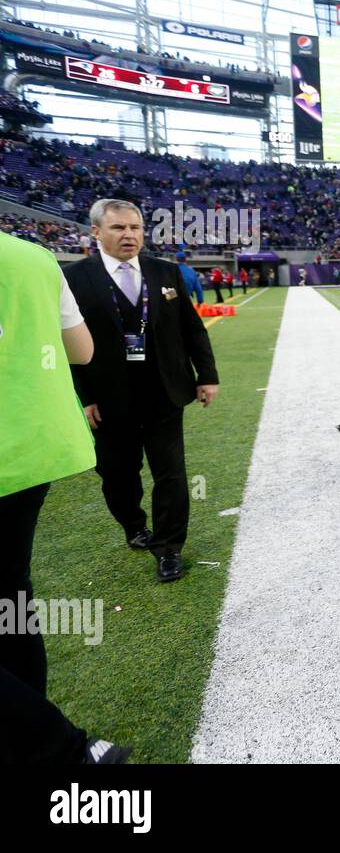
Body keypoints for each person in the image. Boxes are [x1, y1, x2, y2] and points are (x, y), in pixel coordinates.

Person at [0, 230, 130, 763]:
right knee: (10, 598)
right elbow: (82, 349)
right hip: (35, 447)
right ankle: (28, 727)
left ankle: (60, 749)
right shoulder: (32, 256)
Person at [63, 199, 220, 583]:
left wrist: (207, 375)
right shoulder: (72, 277)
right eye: (118, 228)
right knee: (118, 475)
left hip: (164, 391)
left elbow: (192, 328)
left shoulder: (165, 272)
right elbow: (65, 345)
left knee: (171, 474)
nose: (129, 235)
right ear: (96, 232)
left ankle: (168, 548)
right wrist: (84, 399)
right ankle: (134, 526)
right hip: (108, 397)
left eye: (135, 227)